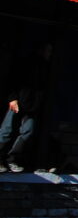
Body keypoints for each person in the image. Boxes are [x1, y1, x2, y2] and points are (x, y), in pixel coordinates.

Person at [0, 43, 51, 173]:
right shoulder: (26, 63)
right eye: (47, 50)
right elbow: (13, 80)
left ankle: (11, 159)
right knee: (7, 130)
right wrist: (12, 98)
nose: (48, 53)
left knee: (28, 131)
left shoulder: (46, 67)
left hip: (32, 107)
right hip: (19, 101)